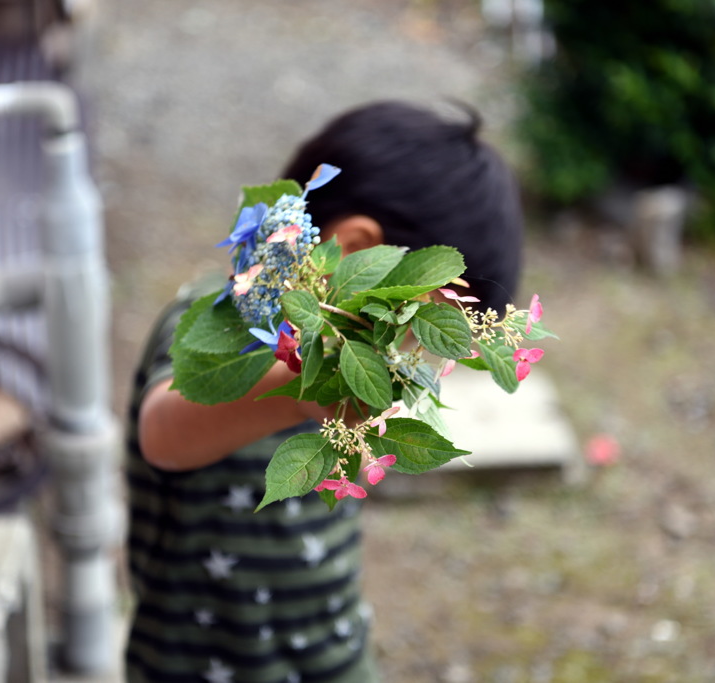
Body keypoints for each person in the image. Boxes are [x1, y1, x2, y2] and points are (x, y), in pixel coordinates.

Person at [124, 100, 526, 682]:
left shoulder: (355, 362)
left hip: (333, 657)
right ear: (360, 254)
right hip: (199, 665)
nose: (428, 359)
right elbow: (162, 434)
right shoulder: (215, 320)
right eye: (430, 331)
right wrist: (298, 388)